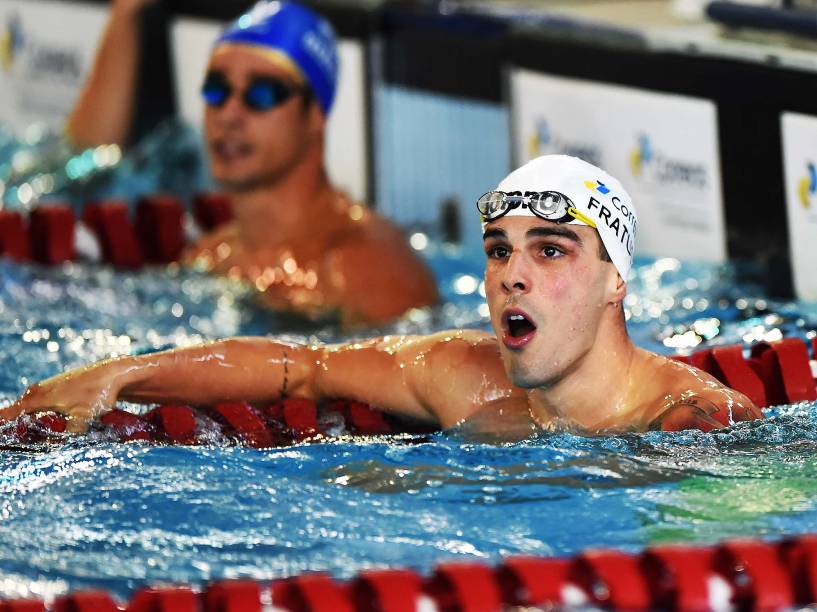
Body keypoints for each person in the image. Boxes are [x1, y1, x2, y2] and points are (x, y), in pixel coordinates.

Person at [1, 155, 762, 435]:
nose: (512, 275)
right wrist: (121, 375)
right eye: (499, 251)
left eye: (551, 250)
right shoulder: (462, 375)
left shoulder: (695, 421)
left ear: (615, 281)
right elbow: (300, 369)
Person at [67, 0, 438, 326]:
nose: (229, 113)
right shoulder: (211, 256)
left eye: (262, 94)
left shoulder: (364, 269)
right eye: (217, 89)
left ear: (315, 116)